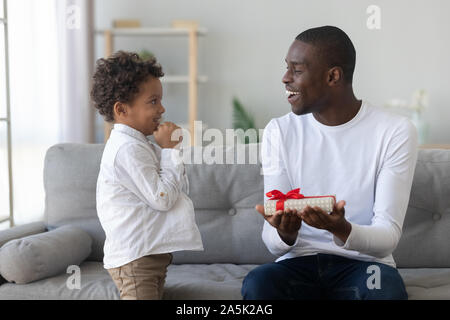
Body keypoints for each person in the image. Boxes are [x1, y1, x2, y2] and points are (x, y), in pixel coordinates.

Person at [241, 26, 418, 300]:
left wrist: (340, 229)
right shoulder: (280, 131)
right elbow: (272, 240)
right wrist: (285, 234)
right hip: (298, 263)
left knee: (384, 290)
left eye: (297, 70)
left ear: (333, 76)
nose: (285, 78)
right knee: (259, 283)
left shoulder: (394, 131)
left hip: (365, 266)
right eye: (287, 68)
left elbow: (387, 236)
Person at [91, 51, 203, 300]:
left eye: (160, 100)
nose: (162, 108)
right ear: (121, 109)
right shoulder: (127, 149)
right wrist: (169, 151)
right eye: (153, 101)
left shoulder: (140, 145)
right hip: (135, 260)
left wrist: (166, 152)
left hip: (147, 256)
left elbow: (175, 188)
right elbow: (162, 197)